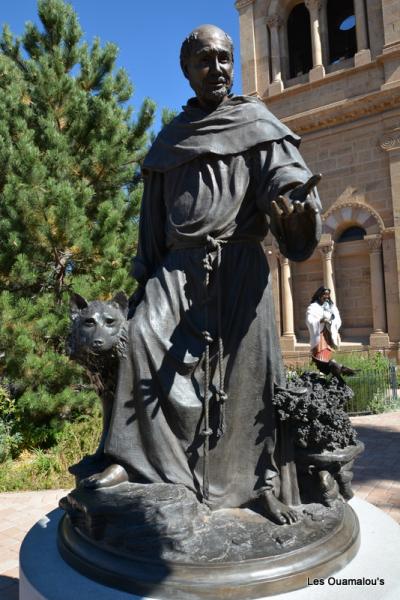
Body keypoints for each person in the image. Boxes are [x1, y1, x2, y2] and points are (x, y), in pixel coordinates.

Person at [82, 25, 322, 525]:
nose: (216, 68)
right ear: (186, 71)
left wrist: (295, 210)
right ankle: (139, 462)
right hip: (177, 269)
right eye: (204, 60)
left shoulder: (255, 121)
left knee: (249, 377)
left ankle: (262, 485)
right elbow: (152, 220)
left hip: (238, 266)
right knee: (142, 336)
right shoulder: (172, 139)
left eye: (224, 58)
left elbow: (287, 178)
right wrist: (142, 276)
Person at [306, 286, 341, 362]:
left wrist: (331, 322)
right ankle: (322, 367)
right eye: (325, 294)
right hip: (320, 334)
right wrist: (320, 321)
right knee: (321, 353)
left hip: (330, 333)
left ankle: (329, 367)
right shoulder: (313, 307)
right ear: (319, 295)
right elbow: (309, 320)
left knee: (330, 354)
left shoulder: (332, 307)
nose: (326, 296)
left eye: (328, 294)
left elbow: (337, 319)